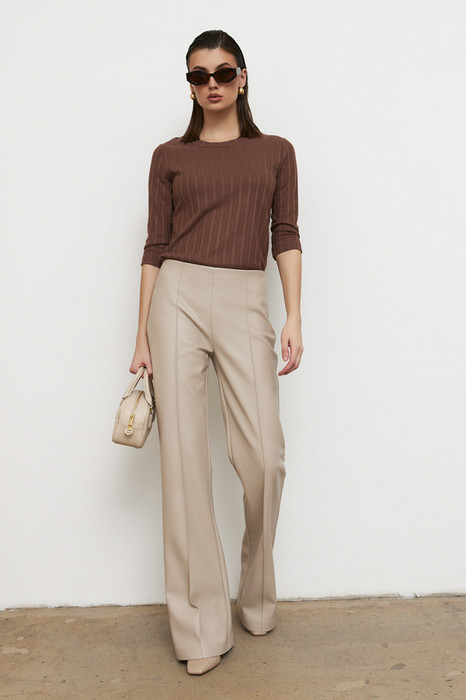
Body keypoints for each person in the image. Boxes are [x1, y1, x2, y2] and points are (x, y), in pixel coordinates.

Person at [130, 29, 304, 676]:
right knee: (182, 464)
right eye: (199, 75)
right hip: (175, 297)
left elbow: (285, 233)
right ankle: (200, 628)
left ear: (243, 78)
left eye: (224, 73)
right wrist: (141, 333)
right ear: (190, 85)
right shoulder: (169, 157)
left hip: (243, 298)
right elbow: (155, 245)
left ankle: (255, 589)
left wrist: (294, 316)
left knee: (262, 458)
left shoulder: (275, 152)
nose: (212, 84)